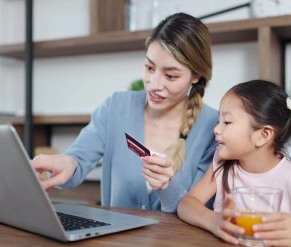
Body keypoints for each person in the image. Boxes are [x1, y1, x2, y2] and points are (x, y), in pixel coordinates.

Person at [31, 13, 218, 213]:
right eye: (149, 67)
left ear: (196, 75)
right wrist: (65, 162)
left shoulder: (215, 128)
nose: (154, 85)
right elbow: (79, 158)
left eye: (170, 76)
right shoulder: (116, 107)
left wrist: (167, 187)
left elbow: (197, 209)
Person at [178, 80, 291, 246]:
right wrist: (213, 221)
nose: (216, 129)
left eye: (227, 122)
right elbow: (187, 204)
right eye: (218, 121)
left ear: (263, 135)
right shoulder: (223, 165)